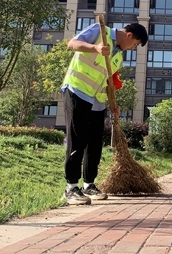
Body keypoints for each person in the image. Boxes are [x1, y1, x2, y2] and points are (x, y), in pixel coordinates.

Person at [60, 22, 148, 205]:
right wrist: (96, 48)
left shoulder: (118, 57)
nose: (133, 48)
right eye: (135, 44)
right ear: (129, 35)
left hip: (97, 100)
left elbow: (110, 81)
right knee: (78, 139)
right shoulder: (101, 31)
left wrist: (113, 103)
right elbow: (72, 44)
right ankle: (70, 188)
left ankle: (88, 185)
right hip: (77, 90)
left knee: (94, 144)